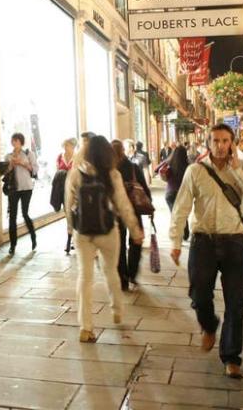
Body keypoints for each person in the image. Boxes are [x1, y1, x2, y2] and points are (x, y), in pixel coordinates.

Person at [169, 124, 243, 379]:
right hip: (203, 241)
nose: (220, 145)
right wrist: (175, 240)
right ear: (208, 143)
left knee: (235, 301)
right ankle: (209, 325)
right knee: (199, 293)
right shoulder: (195, 171)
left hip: (234, 241)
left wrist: (236, 170)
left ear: (232, 143)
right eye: (216, 140)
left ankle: (231, 357)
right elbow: (181, 207)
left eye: (225, 141)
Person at [66, 135, 142, 342]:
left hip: (83, 232)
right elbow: (124, 206)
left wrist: (71, 229)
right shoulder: (113, 175)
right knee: (111, 271)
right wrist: (135, 231)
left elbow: (69, 203)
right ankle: (117, 309)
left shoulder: (76, 174)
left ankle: (86, 327)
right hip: (107, 230)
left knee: (85, 277)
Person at [112, 139, 150, 291]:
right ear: (123, 150)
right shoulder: (133, 167)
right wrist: (149, 206)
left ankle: (123, 278)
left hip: (116, 212)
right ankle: (132, 272)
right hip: (134, 209)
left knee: (119, 246)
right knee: (136, 241)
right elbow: (144, 189)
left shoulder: (110, 170)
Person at [5, 133, 38, 255]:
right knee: (12, 217)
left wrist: (22, 163)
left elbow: (34, 170)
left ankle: (33, 236)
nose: (14, 143)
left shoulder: (29, 154)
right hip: (13, 188)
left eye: (17, 141)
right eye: (13, 141)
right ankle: (12, 245)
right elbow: (4, 172)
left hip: (26, 188)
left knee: (25, 213)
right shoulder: (8, 156)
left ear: (21, 142)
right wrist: (11, 165)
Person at [56, 138, 76, 254]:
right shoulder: (60, 157)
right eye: (64, 145)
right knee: (68, 215)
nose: (65, 148)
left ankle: (73, 239)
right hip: (63, 191)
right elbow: (57, 172)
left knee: (74, 214)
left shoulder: (77, 157)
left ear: (73, 146)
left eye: (67, 145)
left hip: (75, 191)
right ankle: (69, 240)